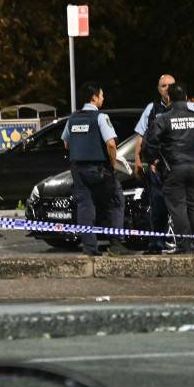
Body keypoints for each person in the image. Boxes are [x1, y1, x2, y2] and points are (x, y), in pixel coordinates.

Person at [142, 84, 194, 254]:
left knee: (177, 207)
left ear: (169, 99)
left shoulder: (163, 119)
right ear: (186, 98)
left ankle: (184, 247)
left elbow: (149, 143)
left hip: (173, 169)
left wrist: (154, 160)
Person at [132, 74, 194, 253]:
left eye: (171, 85)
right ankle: (156, 244)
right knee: (158, 207)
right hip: (159, 167)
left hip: (179, 166)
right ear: (158, 88)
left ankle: (187, 244)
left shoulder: (189, 107)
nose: (167, 89)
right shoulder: (152, 109)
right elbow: (141, 136)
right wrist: (138, 159)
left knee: (182, 208)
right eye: (163, 86)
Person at [62, 81, 127, 256]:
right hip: (98, 169)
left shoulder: (72, 118)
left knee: (85, 206)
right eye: (101, 95)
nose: (103, 98)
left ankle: (90, 248)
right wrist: (113, 164)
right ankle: (116, 244)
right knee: (115, 201)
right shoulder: (100, 117)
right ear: (94, 97)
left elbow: (66, 144)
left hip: (78, 169)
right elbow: (111, 144)